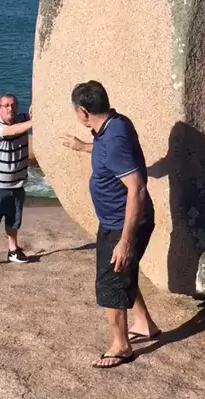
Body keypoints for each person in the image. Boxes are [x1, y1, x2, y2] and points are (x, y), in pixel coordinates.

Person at [62, 81, 160, 368]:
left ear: (83, 111)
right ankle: (144, 324)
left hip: (122, 223)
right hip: (114, 220)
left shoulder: (114, 138)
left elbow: (137, 188)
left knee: (110, 283)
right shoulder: (116, 124)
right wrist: (83, 147)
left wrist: (125, 240)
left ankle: (121, 346)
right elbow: (109, 153)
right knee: (123, 273)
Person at [0, 93, 32, 265]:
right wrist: (35, 122)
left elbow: (35, 112)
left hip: (17, 184)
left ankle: (13, 250)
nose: (10, 108)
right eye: (6, 105)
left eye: (13, 105)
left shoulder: (22, 119)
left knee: (14, 220)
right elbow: (11, 131)